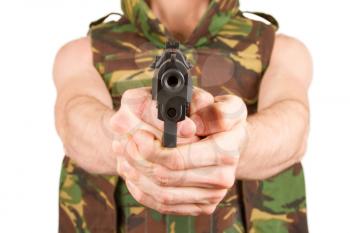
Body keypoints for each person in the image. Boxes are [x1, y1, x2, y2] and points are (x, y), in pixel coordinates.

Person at [53, 0, 312, 232]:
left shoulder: (277, 48)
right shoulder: (84, 51)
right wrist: (133, 142)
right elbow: (74, 122)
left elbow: (293, 128)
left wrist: (238, 142)